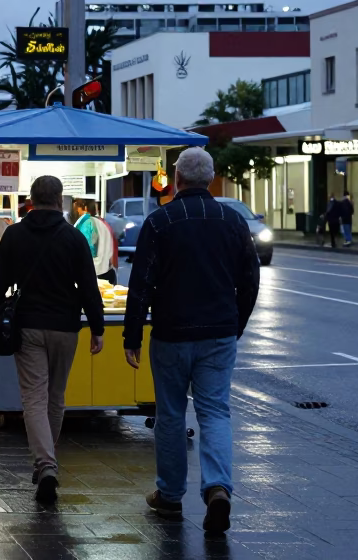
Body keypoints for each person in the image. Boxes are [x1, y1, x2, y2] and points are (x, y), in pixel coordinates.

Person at [124, 147, 260, 535]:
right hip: (218, 333)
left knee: (169, 415)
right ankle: (217, 487)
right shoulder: (232, 221)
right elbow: (250, 279)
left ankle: (169, 496)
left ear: (177, 180)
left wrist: (132, 335)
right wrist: (236, 323)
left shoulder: (160, 221)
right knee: (215, 411)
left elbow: (141, 284)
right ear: (211, 180)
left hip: (170, 334)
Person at [0, 177, 105, 505]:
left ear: (30, 200)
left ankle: (45, 463)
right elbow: (88, 286)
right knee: (56, 396)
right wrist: (97, 328)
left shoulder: (14, 235)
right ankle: (47, 462)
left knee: (34, 398)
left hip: (28, 326)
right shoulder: (73, 236)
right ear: (60, 201)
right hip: (66, 327)